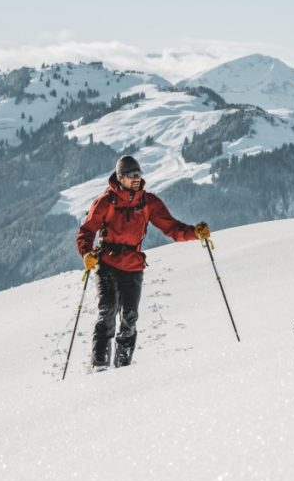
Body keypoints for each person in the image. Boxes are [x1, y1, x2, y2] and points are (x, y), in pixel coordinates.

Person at [76, 155, 210, 369]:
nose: (136, 178)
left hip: (133, 266)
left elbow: (172, 227)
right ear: (120, 178)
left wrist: (195, 233)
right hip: (108, 263)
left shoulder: (147, 203)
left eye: (138, 174)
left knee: (130, 317)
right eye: (131, 175)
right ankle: (99, 364)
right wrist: (87, 254)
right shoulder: (105, 202)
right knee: (107, 311)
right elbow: (86, 232)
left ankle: (123, 367)